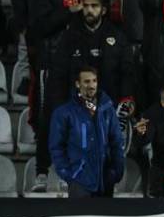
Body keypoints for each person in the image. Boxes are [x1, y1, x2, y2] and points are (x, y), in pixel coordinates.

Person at [49, 65, 125, 198]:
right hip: (79, 182)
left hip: (105, 180)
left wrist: (116, 171)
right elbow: (56, 147)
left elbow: (117, 142)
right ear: (77, 84)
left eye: (94, 81)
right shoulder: (64, 113)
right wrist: (69, 175)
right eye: (87, 81)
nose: (91, 85)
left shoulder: (107, 109)